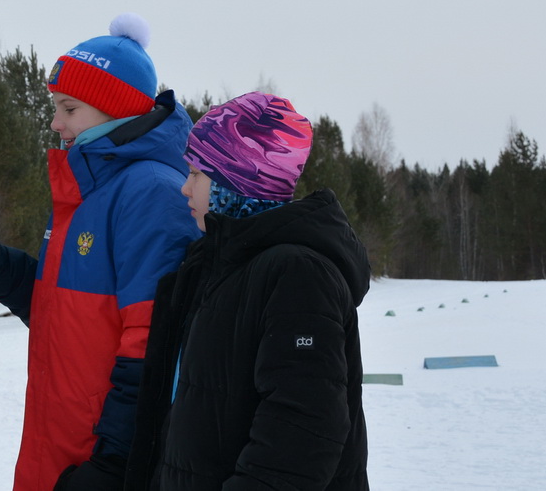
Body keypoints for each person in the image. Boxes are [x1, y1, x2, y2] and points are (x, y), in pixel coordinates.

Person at [0, 14, 202, 491]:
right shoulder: (91, 188)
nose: (56, 123)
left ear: (115, 108)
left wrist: (115, 461)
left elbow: (154, 345)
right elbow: (64, 310)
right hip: (59, 442)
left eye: (69, 108)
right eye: (54, 107)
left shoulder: (152, 194)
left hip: (99, 454)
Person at [126, 92, 371, 491]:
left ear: (237, 180)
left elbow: (303, 431)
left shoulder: (297, 274)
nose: (185, 189)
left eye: (197, 174)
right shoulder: (214, 265)